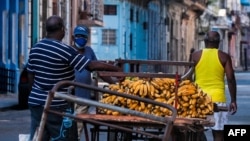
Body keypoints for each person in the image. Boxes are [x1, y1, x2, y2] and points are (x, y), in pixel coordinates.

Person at [27, 15, 122, 141]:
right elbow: (91, 66)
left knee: (40, 136)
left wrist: (40, 91)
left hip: (36, 103)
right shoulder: (65, 50)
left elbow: (30, 75)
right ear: (62, 29)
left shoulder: (35, 48)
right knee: (64, 137)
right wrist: (116, 69)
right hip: (56, 105)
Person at [71, 25, 116, 140]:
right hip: (69, 98)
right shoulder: (68, 52)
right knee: (67, 128)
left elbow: (98, 70)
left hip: (83, 98)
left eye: (84, 37)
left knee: (78, 128)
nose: (81, 39)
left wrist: (114, 84)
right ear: (73, 37)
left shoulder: (89, 51)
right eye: (78, 36)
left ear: (87, 39)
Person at [191, 31, 237, 141]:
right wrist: (233, 100)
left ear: (205, 41)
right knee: (219, 134)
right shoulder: (224, 57)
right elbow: (230, 79)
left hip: (199, 99)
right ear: (219, 43)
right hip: (218, 99)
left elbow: (188, 77)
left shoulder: (195, 56)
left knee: (197, 132)